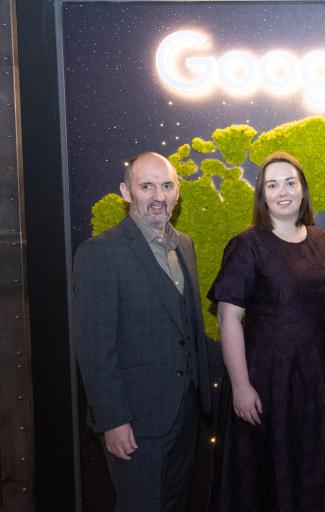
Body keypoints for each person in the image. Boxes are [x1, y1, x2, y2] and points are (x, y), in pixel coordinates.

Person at [207, 151, 325, 511]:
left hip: (318, 382)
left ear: (303, 189)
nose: (283, 191)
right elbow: (229, 318)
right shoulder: (248, 245)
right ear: (263, 195)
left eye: (290, 182)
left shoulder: (322, 242)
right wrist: (241, 386)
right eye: (272, 185)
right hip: (266, 382)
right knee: (267, 481)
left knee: (318, 475)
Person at [72, 152, 211, 512]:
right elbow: (94, 347)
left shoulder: (185, 246)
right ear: (126, 191)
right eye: (146, 186)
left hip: (184, 415)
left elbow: (186, 329)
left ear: (177, 191)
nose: (158, 196)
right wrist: (113, 420)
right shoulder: (100, 253)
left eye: (166, 185)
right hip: (134, 422)